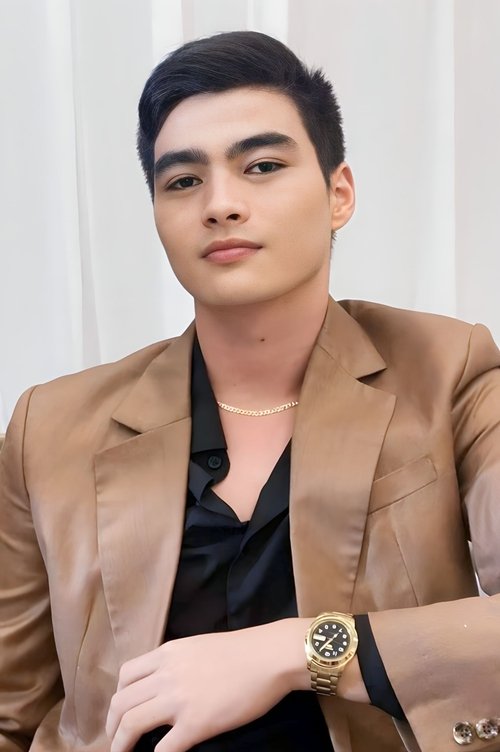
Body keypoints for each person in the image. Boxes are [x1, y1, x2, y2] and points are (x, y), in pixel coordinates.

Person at [0, 29, 499, 752]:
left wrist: (295, 651)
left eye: (262, 166)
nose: (221, 204)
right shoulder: (50, 425)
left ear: (338, 194)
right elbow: (10, 714)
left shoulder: (449, 370)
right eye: (183, 181)